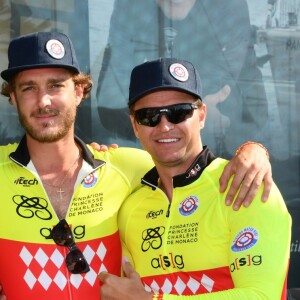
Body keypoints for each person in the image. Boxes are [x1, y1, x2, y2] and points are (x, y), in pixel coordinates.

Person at [0, 32, 271, 300]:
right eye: (28, 88)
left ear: (79, 91)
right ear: (12, 96)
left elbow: (185, 163)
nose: (43, 101)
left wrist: (254, 151)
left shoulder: (128, 166)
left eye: (56, 85)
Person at [99, 58, 291, 299]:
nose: (164, 126)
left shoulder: (246, 184)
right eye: (148, 116)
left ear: (201, 116)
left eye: (179, 113)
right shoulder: (129, 208)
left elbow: (262, 295)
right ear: (135, 126)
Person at [96, 0, 268, 156]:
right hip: (143, 152)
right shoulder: (130, 7)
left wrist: (255, 150)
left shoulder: (228, 7)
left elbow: (228, 84)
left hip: (223, 143)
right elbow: (110, 101)